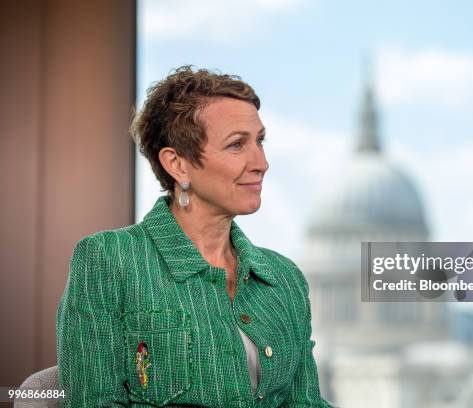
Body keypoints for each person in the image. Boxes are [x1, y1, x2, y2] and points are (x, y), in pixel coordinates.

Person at [56, 66, 333, 407]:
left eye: (260, 141)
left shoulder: (284, 277)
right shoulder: (107, 260)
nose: (262, 162)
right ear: (178, 164)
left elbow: (304, 402)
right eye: (236, 145)